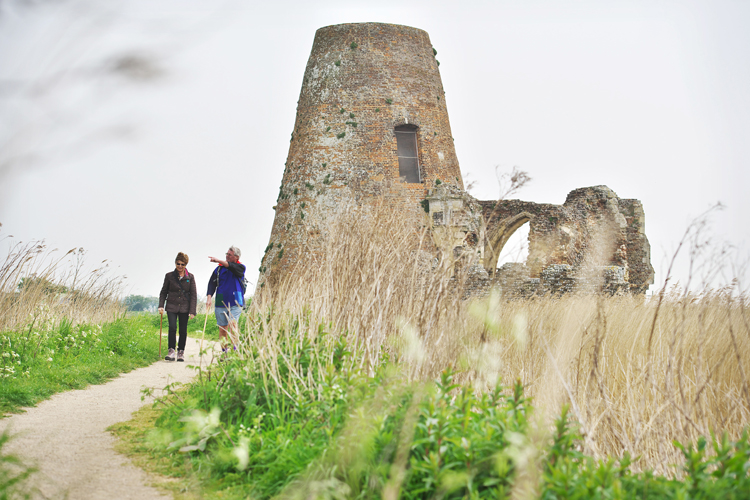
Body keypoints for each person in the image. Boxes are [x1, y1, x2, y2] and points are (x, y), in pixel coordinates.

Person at [158, 252, 197, 362]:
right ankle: (171, 351)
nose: (180, 266)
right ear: (175, 263)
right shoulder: (169, 276)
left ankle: (181, 352)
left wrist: (192, 311)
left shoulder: (190, 277)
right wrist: (161, 305)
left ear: (186, 265)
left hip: (185, 306)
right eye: (178, 263)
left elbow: (193, 295)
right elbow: (163, 292)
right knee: (172, 327)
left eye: (183, 264)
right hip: (171, 306)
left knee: (183, 330)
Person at [206, 246, 246, 351]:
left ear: (236, 257)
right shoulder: (219, 269)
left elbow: (231, 267)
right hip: (220, 301)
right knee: (223, 329)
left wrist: (219, 260)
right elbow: (211, 283)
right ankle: (225, 353)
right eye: (226, 254)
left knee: (232, 325)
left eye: (229, 255)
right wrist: (209, 297)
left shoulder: (240, 267)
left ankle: (235, 351)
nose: (227, 256)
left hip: (236, 301)